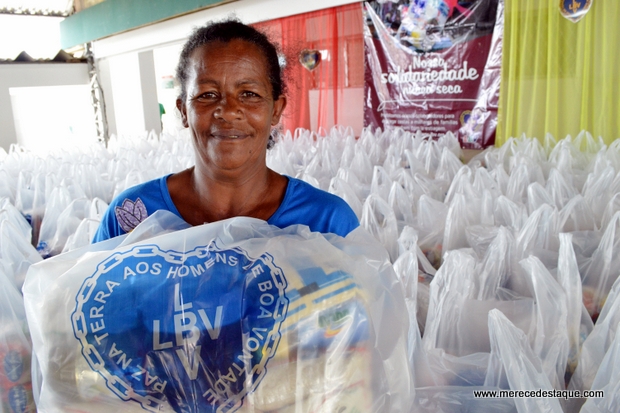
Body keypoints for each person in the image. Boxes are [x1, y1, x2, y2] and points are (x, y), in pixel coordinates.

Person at [92, 20, 359, 243]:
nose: (228, 110)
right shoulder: (130, 217)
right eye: (207, 94)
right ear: (184, 111)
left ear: (276, 110)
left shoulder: (327, 222)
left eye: (249, 94)